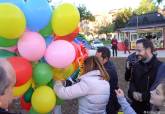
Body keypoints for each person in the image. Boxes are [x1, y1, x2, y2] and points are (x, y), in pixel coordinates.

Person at [128, 38, 163, 114]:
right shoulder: (136, 66)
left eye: (139, 50)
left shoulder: (160, 67)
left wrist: (142, 96)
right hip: (135, 107)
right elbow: (132, 83)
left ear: (148, 50)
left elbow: (160, 92)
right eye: (135, 50)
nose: (136, 53)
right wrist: (133, 92)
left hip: (151, 109)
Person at [96, 47, 120, 114]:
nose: (94, 60)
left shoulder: (108, 71)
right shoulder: (106, 63)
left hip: (109, 104)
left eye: (97, 58)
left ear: (105, 59)